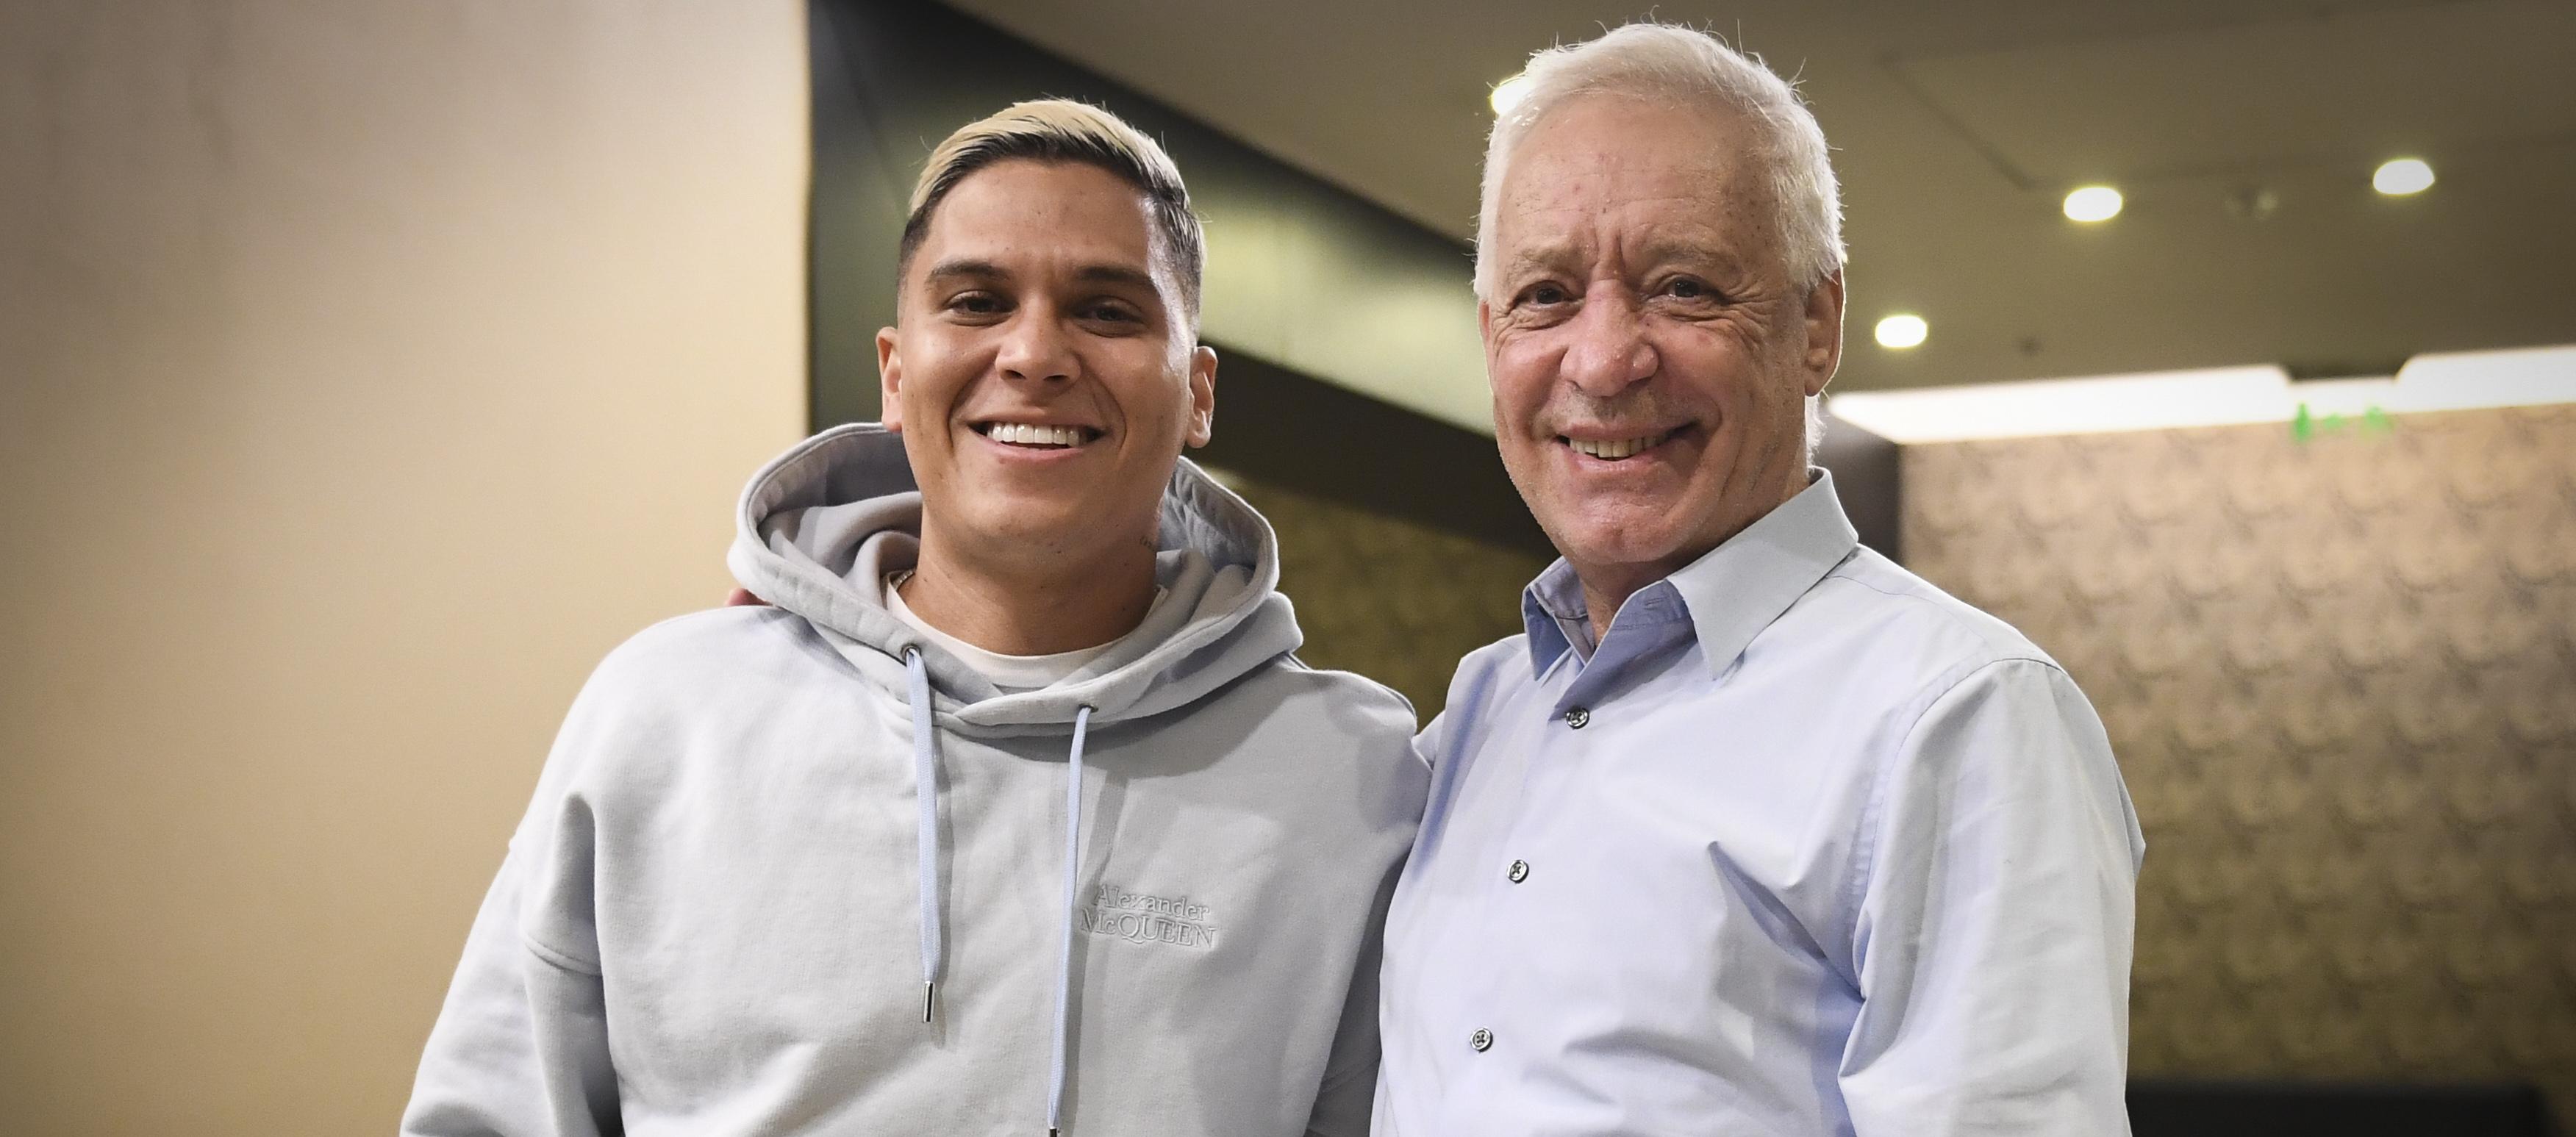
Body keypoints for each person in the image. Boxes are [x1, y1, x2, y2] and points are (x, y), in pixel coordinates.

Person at [402, 100, 1427, 1137]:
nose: (1034, 353)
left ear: (1197, 391)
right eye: (978, 301)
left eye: (1108, 310)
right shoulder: (666, 718)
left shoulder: (1347, 777)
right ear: (895, 373)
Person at [1373, 24, 2144, 1136]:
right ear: (1491, 337)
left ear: (1817, 323)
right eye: (1545, 295)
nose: (1602, 360)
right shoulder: (1480, 715)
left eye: (1682, 288)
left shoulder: (1959, 714)